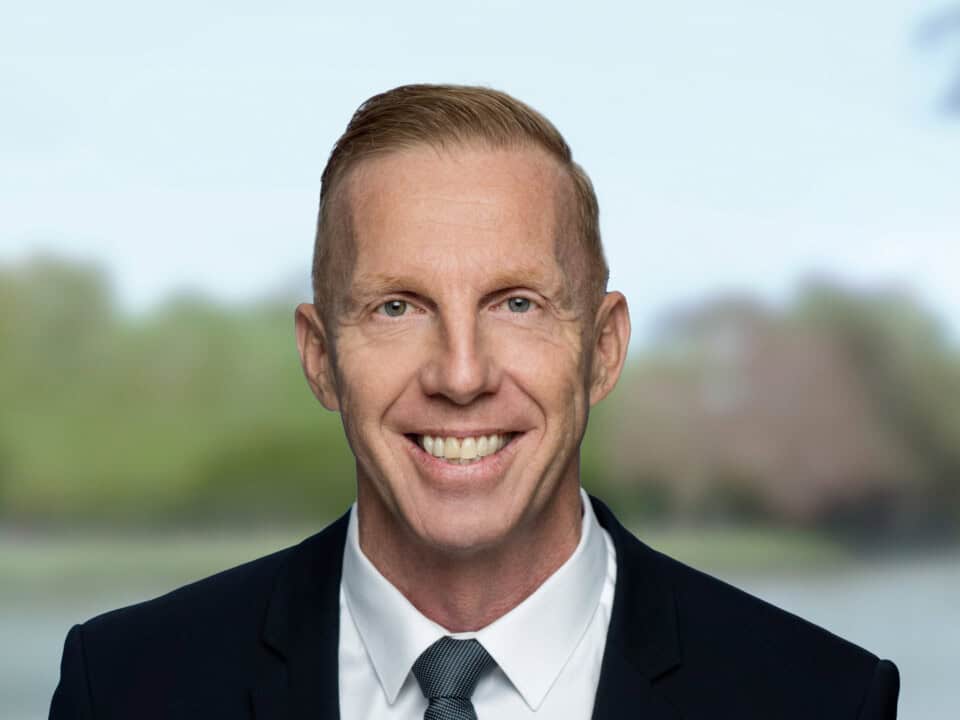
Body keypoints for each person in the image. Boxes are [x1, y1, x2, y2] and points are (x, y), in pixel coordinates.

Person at [49, 84, 900, 720]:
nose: (461, 375)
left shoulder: (822, 700)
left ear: (603, 350)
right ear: (321, 359)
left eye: (516, 303)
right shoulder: (123, 689)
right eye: (397, 307)